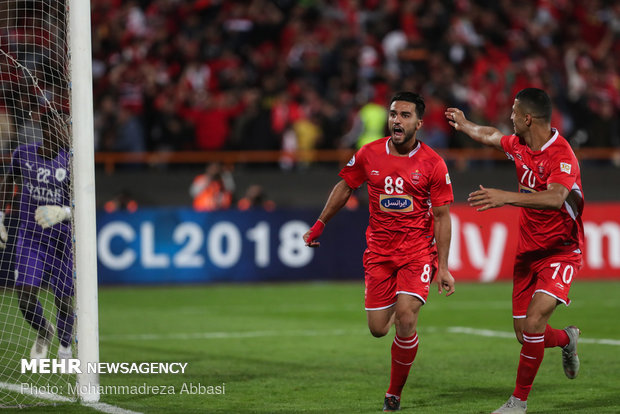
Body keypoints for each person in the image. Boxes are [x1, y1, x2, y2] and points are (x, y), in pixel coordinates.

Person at [304, 91, 455, 412]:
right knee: (377, 329)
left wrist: (443, 266)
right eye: (393, 114)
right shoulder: (368, 154)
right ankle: (401, 338)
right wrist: (319, 225)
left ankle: (393, 394)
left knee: (405, 317)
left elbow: (442, 217)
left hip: (417, 253)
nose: (396, 121)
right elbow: (345, 186)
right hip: (379, 254)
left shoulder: (434, 164)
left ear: (419, 123)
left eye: (404, 116)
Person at [445, 88, 583, 414]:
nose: (509, 118)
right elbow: (492, 136)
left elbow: (555, 197)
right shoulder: (519, 145)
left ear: (527, 118)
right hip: (527, 253)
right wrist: (465, 125)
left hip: (560, 251)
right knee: (525, 334)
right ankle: (567, 339)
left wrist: (506, 197)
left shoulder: (561, 155)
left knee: (534, 320)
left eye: (513, 112)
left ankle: (517, 404)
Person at [0, 111, 74, 361]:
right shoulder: (23, 154)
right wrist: (0, 215)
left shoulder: (72, 161)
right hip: (30, 238)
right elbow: (9, 182)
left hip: (63, 240)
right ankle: (44, 331)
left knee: (63, 300)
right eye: (63, 127)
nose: (69, 132)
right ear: (48, 130)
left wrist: (64, 212)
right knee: (24, 295)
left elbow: (87, 205)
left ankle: (65, 348)